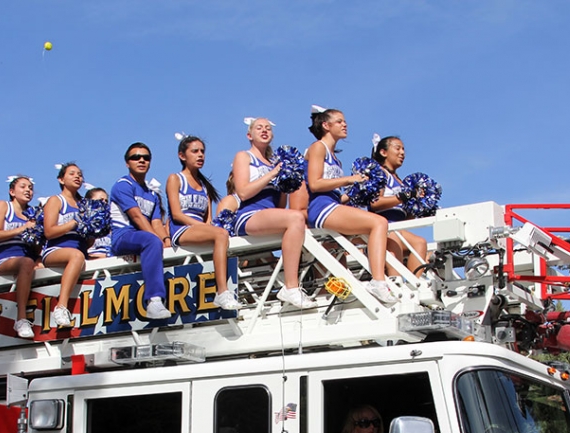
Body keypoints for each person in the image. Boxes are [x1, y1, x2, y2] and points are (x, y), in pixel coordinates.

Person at [305, 108, 397, 305]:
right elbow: (315, 184)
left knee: (371, 229)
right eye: (339, 121)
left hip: (331, 205)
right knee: (379, 223)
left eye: (344, 121)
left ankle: (378, 280)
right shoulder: (317, 147)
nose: (344, 124)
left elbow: (334, 192)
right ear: (326, 125)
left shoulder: (334, 156)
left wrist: (357, 192)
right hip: (321, 209)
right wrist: (349, 179)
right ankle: (378, 280)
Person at [230, 118, 314, 308]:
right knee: (296, 218)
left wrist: (286, 182)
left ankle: (303, 275)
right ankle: (291, 286)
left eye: (268, 128)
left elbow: (281, 203)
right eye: (259, 128)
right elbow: (242, 192)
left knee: (304, 222)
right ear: (249, 135)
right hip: (248, 215)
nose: (264, 130)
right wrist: (272, 174)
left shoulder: (274, 162)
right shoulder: (244, 156)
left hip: (269, 214)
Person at [165, 135, 239, 310]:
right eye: (195, 151)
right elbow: (176, 214)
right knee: (221, 234)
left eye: (202, 152)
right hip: (182, 229)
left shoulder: (205, 185)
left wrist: (209, 227)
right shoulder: (175, 179)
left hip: (202, 229)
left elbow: (208, 217)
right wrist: (207, 228)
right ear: (182, 156)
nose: (200, 155)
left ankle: (233, 286)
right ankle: (222, 291)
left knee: (227, 237)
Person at [108, 142, 171, 319]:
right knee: (152, 241)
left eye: (146, 157)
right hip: (123, 236)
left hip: (143, 237)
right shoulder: (122, 185)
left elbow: (157, 223)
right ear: (127, 163)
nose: (141, 160)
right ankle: (154, 300)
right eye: (135, 157)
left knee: (164, 244)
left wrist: (166, 241)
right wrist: (156, 240)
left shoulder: (152, 194)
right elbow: (136, 217)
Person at [368, 135, 431, 277]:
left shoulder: (401, 182)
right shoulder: (379, 173)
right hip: (383, 227)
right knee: (394, 238)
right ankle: (395, 279)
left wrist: (418, 207)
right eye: (397, 148)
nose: (402, 152)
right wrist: (402, 197)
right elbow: (375, 203)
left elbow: (406, 218)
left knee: (420, 242)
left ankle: (414, 283)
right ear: (383, 152)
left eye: (403, 149)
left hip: (398, 228)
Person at [0, 176, 38, 339]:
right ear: (12, 191)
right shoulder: (4, 206)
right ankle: (21, 318)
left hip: (27, 259)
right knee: (26, 263)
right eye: (23, 187)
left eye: (30, 188)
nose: (28, 190)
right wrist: (22, 228)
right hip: (5, 257)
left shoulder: (32, 213)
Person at [42, 163, 87, 327]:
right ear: (61, 179)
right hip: (56, 249)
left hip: (80, 251)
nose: (77, 177)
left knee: (80, 256)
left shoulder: (84, 203)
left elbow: (88, 241)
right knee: (77, 256)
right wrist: (73, 224)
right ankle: (61, 307)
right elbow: (49, 231)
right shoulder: (56, 200)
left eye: (80, 174)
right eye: (72, 174)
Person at [85, 187, 111, 259]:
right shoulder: (83, 224)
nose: (104, 203)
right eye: (100, 200)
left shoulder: (111, 224)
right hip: (91, 265)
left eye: (106, 200)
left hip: (113, 262)